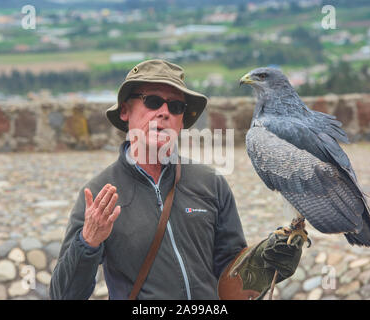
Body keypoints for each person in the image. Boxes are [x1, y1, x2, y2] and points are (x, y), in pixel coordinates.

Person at [49, 59, 303, 300]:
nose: (164, 112)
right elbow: (63, 294)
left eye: (175, 106)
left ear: (182, 121)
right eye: (152, 101)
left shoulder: (211, 183)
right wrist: (88, 242)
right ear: (125, 111)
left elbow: (230, 275)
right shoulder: (98, 195)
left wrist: (265, 264)